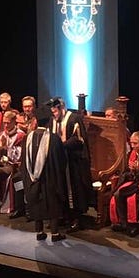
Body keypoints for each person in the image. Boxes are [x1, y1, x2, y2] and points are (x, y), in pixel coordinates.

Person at [48, 96, 93, 232]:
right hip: (59, 161)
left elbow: (79, 139)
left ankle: (76, 219)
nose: (54, 114)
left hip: (74, 161)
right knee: (60, 187)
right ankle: (63, 216)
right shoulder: (52, 120)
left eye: (56, 111)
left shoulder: (74, 119)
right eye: (52, 112)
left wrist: (62, 145)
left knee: (74, 190)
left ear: (62, 108)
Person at [20, 125, 68, 241]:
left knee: (36, 202)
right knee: (53, 203)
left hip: (32, 179)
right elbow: (61, 159)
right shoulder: (53, 139)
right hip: (49, 179)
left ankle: (39, 232)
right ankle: (55, 233)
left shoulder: (27, 138)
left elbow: (23, 161)